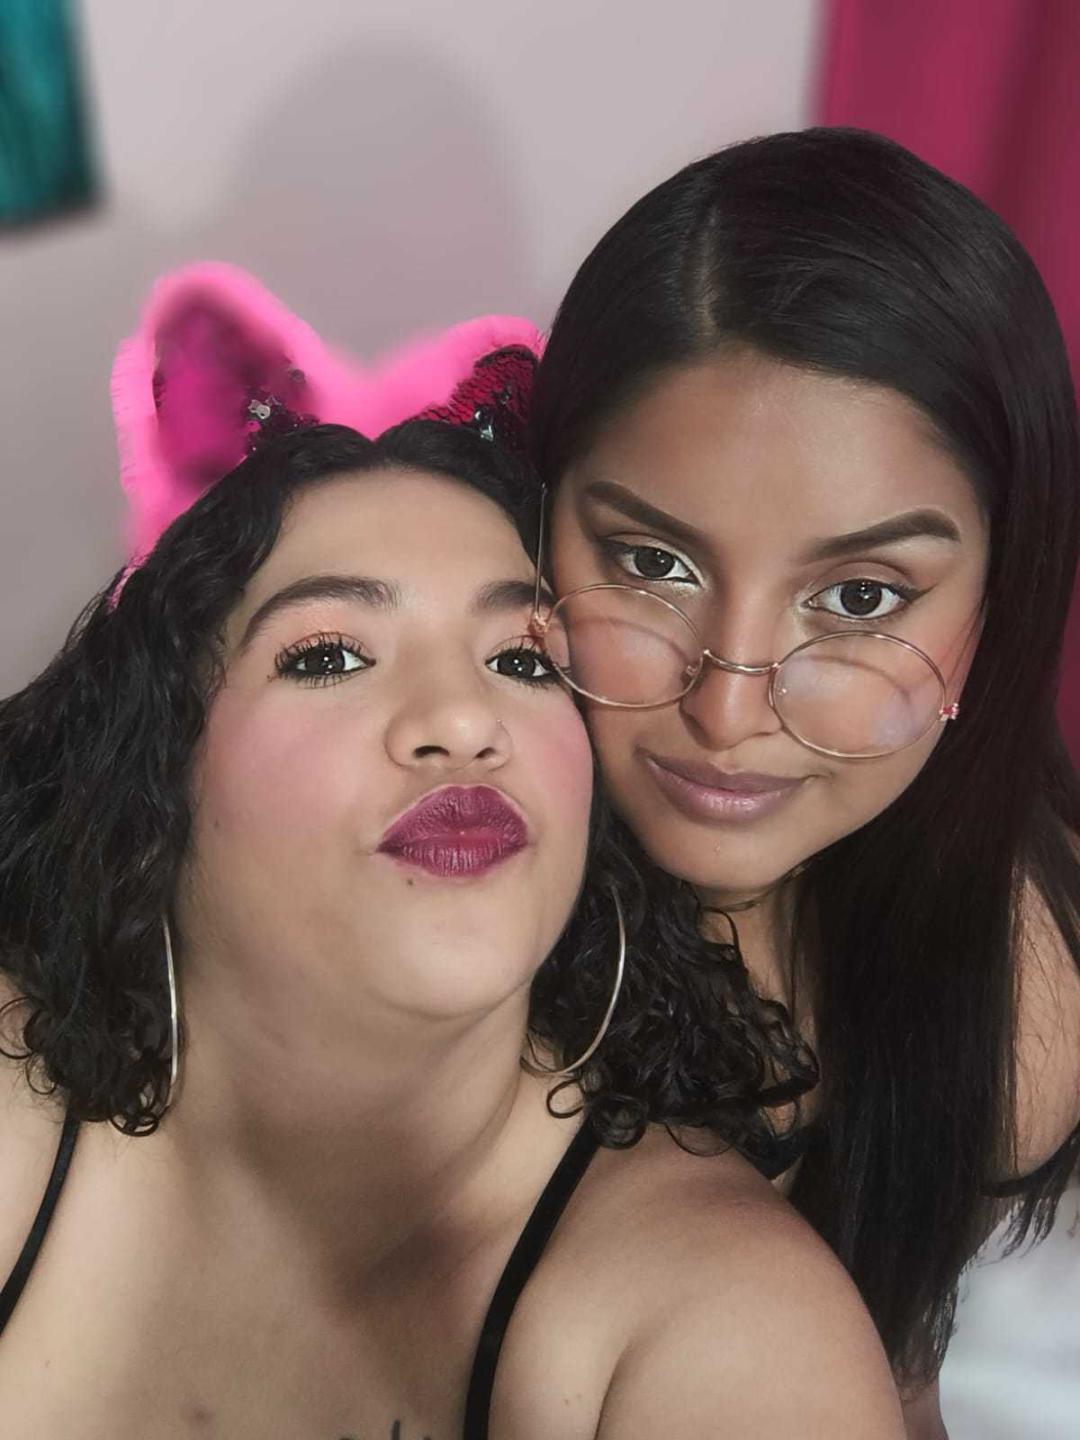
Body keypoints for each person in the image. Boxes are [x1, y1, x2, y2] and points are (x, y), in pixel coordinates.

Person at [0, 417, 904, 1436]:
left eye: (523, 661)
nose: (466, 720)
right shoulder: (16, 1100)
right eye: (330, 655)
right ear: (151, 775)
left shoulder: (728, 1326)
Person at [527, 126, 1080, 1432]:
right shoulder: (432, 915)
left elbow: (892, 1375)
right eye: (652, 564)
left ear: (999, 603)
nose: (725, 711)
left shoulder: (1019, 990)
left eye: (860, 597)